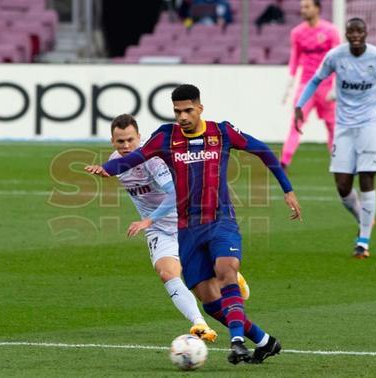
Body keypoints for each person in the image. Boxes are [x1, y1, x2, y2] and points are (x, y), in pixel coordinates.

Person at [86, 84, 302, 364]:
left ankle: (237, 341)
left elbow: (262, 150)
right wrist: (107, 168)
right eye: (178, 111)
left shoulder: (221, 133)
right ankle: (265, 341)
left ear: (200, 108)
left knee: (226, 271)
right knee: (210, 301)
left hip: (220, 220)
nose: (183, 117)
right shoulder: (166, 136)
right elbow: (137, 157)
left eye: (188, 110)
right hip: (186, 228)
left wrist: (287, 189)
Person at [107, 114, 251, 343]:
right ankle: (200, 324)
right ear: (112, 141)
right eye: (120, 141)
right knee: (167, 273)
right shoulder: (117, 162)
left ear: (139, 138)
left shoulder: (151, 161)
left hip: (183, 222)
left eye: (130, 140)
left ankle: (228, 278)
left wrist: (148, 220)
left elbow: (174, 193)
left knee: (204, 288)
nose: (125, 146)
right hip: (158, 229)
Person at [294, 18, 376, 259]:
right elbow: (315, 80)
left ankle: (363, 242)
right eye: (351, 31)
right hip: (344, 127)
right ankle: (364, 218)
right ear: (346, 34)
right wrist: (299, 106)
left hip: (369, 126)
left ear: (366, 33)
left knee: (367, 179)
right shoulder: (336, 56)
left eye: (360, 31)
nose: (355, 35)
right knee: (342, 185)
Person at [281, 0, 340, 171]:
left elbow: (337, 61)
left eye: (307, 7)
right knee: (296, 122)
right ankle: (284, 162)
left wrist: (335, 86)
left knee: (332, 126)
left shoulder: (330, 31)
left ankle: (337, 161)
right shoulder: (297, 33)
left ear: (317, 8)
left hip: (326, 85)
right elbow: (295, 59)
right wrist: (290, 82)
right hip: (306, 86)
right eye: (302, 7)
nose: (303, 10)